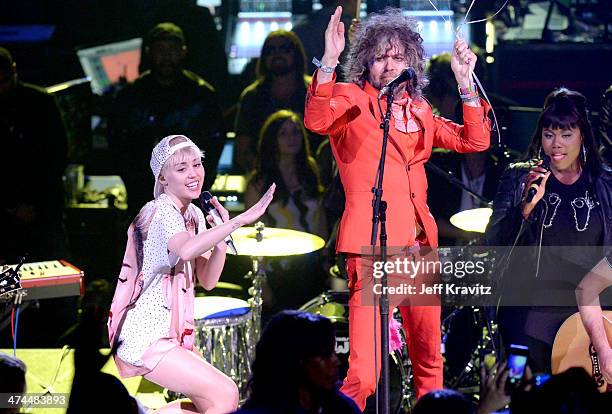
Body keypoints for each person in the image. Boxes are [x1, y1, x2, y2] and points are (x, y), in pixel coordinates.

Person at [303, 6, 492, 409]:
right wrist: (329, 62)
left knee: (429, 366)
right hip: (372, 249)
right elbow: (317, 121)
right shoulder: (351, 100)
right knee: (364, 375)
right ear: (366, 63)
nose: (389, 65)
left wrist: (465, 83)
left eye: (397, 56)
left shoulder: (421, 110)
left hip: (420, 250)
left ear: (411, 62)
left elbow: (474, 142)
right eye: (380, 56)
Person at [111, 134, 275, 414]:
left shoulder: (194, 215)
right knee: (225, 393)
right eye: (181, 168)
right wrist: (239, 221)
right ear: (162, 179)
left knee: (211, 403)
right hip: (145, 336)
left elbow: (208, 280)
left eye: (197, 165)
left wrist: (220, 238)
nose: (194, 174)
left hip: (170, 334)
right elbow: (185, 251)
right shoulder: (159, 211)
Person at [486, 88, 612, 376]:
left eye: (566, 135)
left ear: (582, 136)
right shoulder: (520, 178)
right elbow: (495, 242)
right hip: (530, 317)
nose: (557, 145)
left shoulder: (604, 183)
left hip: (587, 316)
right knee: (527, 397)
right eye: (549, 134)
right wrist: (525, 209)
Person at [109, 23, 225, 217]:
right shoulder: (130, 96)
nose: (166, 56)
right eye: (160, 50)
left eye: (172, 50)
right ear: (149, 53)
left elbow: (214, 143)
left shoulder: (202, 95)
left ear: (183, 52)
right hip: (142, 197)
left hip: (188, 200)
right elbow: (116, 142)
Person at [0, 46, 68, 264]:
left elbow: (56, 156)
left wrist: (32, 204)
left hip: (43, 210)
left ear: (13, 71)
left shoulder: (40, 103)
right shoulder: (40, 101)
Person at [233, 310, 361, 414]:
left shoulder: (342, 407)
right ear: (293, 362)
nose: (336, 362)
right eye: (324, 355)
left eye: (333, 353)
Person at [234, 30, 311, 173]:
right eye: (270, 50)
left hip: (311, 181)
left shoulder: (316, 93)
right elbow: (243, 148)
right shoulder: (252, 97)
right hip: (265, 181)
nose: (277, 54)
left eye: (284, 49)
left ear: (297, 53)